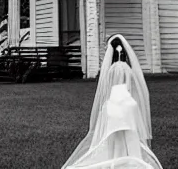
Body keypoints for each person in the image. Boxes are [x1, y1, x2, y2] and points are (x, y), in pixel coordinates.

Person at [62, 34, 163, 169]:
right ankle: (132, 159)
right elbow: (133, 89)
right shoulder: (128, 69)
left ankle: (114, 159)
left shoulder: (110, 70)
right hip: (128, 105)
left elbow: (106, 90)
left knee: (112, 138)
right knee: (130, 137)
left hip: (112, 106)